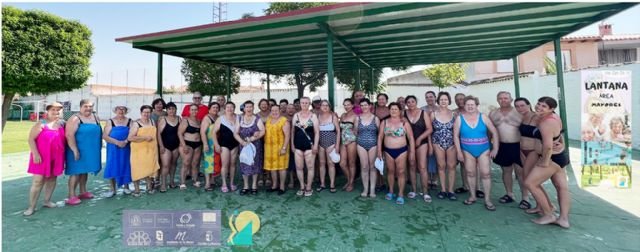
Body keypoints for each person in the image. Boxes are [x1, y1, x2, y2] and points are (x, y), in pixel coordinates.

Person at [524, 97, 571, 228]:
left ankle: (549, 214)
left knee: (530, 183)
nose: (539, 107)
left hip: (552, 159)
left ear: (551, 109)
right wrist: (562, 144)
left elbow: (548, 146)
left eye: (544, 106)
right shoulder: (554, 117)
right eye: (538, 104)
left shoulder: (546, 122)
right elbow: (558, 134)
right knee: (562, 187)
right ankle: (563, 219)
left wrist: (544, 161)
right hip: (560, 157)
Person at [454, 96, 500, 211]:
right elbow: (455, 136)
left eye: (472, 104)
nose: (470, 106)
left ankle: (487, 199)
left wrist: (495, 148)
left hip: (483, 149)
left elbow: (494, 132)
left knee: (486, 173)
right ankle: (472, 196)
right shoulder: (460, 119)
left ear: (476, 105)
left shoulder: (483, 117)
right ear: (464, 106)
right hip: (467, 149)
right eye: (467, 104)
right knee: (470, 173)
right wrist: (459, 152)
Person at [24, 102, 66, 216]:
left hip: (56, 157)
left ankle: (47, 201)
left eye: (58, 110)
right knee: (38, 182)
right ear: (47, 111)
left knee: (52, 179)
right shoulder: (41, 124)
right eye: (53, 109)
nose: (56, 112)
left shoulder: (61, 124)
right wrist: (36, 154)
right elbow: (31, 140)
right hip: (41, 158)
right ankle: (31, 207)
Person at [489, 91, 527, 206]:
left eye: (505, 98)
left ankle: (525, 197)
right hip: (502, 146)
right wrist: (490, 146)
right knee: (506, 171)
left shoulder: (520, 112)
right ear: (497, 100)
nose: (503, 100)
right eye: (500, 98)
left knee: (520, 172)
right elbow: (490, 131)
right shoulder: (493, 113)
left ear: (511, 100)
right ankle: (509, 194)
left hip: (518, 146)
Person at [516, 97, 554, 211]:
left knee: (531, 180)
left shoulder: (538, 117)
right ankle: (540, 205)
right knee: (528, 179)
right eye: (517, 106)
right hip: (522, 150)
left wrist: (560, 143)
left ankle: (549, 207)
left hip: (533, 151)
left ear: (529, 105)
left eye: (522, 105)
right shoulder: (522, 117)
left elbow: (554, 132)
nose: (520, 108)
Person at [65, 99, 102, 205]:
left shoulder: (95, 117)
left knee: (85, 171)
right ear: (81, 107)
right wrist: (75, 150)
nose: (88, 108)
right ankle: (71, 195)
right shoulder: (75, 118)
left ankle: (83, 192)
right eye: (86, 106)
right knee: (75, 172)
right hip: (76, 149)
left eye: (90, 106)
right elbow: (69, 135)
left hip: (90, 150)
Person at [377, 102, 415, 205]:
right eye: (392, 109)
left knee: (401, 172)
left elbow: (411, 138)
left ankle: (401, 194)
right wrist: (379, 151)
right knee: (390, 171)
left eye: (396, 109)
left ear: (400, 111)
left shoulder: (404, 123)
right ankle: (391, 191)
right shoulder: (384, 122)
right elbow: (380, 137)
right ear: (389, 110)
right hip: (388, 151)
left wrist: (412, 152)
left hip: (402, 150)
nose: (393, 111)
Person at [404, 95, 433, 202]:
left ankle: (425, 192)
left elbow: (429, 129)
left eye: (413, 101)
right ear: (406, 104)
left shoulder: (423, 113)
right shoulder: (403, 114)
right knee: (411, 165)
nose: (411, 104)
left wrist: (420, 138)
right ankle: (414, 190)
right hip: (407, 143)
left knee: (422, 167)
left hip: (422, 143)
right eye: (408, 102)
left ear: (416, 102)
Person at [234, 101, 265, 195]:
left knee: (255, 164)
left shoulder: (257, 118)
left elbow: (263, 131)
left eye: (251, 106)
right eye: (247, 107)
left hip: (255, 146)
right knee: (244, 164)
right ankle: (246, 186)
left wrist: (252, 138)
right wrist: (242, 142)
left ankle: (254, 185)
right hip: (243, 145)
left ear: (253, 108)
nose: (249, 108)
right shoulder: (239, 118)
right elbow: (235, 133)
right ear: (244, 108)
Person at [431, 92, 458, 201]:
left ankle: (451, 190)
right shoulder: (433, 114)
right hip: (437, 143)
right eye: (441, 99)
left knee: (451, 167)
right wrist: (430, 144)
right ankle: (442, 189)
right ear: (438, 101)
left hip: (451, 143)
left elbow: (457, 131)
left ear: (449, 101)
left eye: (445, 99)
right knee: (441, 166)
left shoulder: (454, 114)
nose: (443, 101)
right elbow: (430, 130)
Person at [128, 105, 160, 197]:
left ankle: (149, 188)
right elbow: (130, 137)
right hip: (138, 151)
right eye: (144, 112)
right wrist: (144, 137)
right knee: (137, 169)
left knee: (150, 169)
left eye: (148, 112)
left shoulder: (152, 122)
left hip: (151, 150)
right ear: (141, 113)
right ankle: (137, 190)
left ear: (151, 113)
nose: (146, 114)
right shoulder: (136, 124)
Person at [291, 97, 320, 197]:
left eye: (306, 103)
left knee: (310, 167)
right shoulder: (296, 115)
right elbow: (293, 131)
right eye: (302, 103)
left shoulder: (313, 116)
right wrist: (292, 144)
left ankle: (309, 187)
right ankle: (302, 186)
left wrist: (315, 145)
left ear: (309, 104)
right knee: (299, 167)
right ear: (300, 104)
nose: (304, 104)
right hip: (298, 145)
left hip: (309, 145)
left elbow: (316, 132)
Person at [102, 105, 133, 198]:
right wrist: (117, 142)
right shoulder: (110, 121)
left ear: (126, 111)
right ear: (115, 111)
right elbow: (105, 136)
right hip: (113, 148)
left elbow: (133, 133)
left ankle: (126, 187)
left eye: (123, 109)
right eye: (119, 109)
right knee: (112, 165)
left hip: (126, 147)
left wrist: (125, 141)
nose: (121, 110)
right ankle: (112, 189)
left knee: (126, 164)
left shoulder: (130, 121)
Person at [355, 99, 380, 198]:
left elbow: (379, 134)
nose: (364, 107)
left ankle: (372, 190)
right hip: (361, 144)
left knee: (372, 167)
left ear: (370, 106)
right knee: (364, 167)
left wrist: (379, 148)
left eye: (366, 105)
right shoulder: (358, 118)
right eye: (362, 105)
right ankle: (365, 189)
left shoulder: (375, 118)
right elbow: (355, 132)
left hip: (373, 144)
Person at [212, 102, 239, 193]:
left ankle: (231, 183)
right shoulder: (220, 119)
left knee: (233, 164)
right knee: (225, 165)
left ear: (234, 108)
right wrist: (216, 144)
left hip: (235, 144)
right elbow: (213, 133)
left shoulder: (238, 118)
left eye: (232, 107)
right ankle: (224, 183)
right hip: (224, 145)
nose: (230, 109)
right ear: (225, 108)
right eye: (228, 107)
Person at [264, 104, 291, 195]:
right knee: (272, 168)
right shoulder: (268, 120)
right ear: (270, 111)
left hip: (281, 148)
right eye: (272, 110)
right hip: (269, 148)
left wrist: (284, 148)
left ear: (280, 111)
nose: (274, 112)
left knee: (281, 168)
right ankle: (274, 185)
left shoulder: (284, 121)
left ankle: (282, 186)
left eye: (276, 110)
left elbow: (287, 136)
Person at [316, 100, 341, 193]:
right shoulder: (317, 116)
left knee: (331, 164)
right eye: (323, 105)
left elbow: (338, 131)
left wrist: (337, 145)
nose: (325, 107)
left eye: (327, 105)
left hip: (331, 142)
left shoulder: (333, 116)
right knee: (322, 164)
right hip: (320, 143)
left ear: (329, 106)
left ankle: (332, 184)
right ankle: (322, 184)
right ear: (320, 106)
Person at [177, 104, 203, 190]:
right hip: (188, 144)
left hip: (198, 144)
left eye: (196, 110)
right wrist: (184, 145)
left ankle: (195, 180)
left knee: (195, 164)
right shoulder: (185, 121)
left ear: (198, 111)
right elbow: (179, 133)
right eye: (192, 110)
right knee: (186, 163)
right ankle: (182, 182)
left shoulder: (199, 121)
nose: (194, 111)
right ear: (189, 111)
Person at [157, 102, 181, 192]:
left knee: (174, 164)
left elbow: (181, 132)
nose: (171, 110)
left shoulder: (179, 119)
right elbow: (158, 134)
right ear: (166, 110)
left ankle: (171, 182)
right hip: (165, 146)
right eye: (169, 109)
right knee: (165, 165)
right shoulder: (163, 119)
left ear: (176, 110)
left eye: (173, 109)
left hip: (176, 146)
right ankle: (163, 184)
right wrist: (161, 146)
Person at [200, 102, 222, 191]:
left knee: (215, 163)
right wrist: (205, 144)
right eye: (213, 107)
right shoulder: (207, 118)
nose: (215, 109)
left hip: (217, 143)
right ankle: (207, 183)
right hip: (209, 143)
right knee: (208, 163)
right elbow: (202, 132)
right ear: (209, 108)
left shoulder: (218, 118)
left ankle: (212, 181)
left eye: (217, 107)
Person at [453, 93, 470, 194]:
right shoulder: (454, 113)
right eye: (457, 100)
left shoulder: (472, 111)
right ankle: (465, 185)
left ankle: (477, 188)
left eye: (462, 99)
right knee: (456, 164)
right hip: (455, 141)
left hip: (468, 142)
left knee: (469, 165)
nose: (460, 101)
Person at [421, 91, 439, 189]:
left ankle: (435, 180)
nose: (429, 99)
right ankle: (428, 179)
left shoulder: (440, 109)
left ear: (435, 97)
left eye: (431, 97)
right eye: (427, 97)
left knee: (437, 159)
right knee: (427, 158)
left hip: (438, 137)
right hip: (425, 135)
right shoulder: (422, 110)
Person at [339, 98, 357, 192]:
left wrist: (353, 141)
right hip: (343, 142)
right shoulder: (342, 115)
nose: (346, 106)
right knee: (342, 163)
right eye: (345, 105)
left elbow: (357, 131)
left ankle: (350, 183)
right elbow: (340, 129)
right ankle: (350, 180)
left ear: (352, 105)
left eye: (348, 104)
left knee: (351, 163)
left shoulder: (355, 116)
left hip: (352, 142)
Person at [285, 103, 298, 189]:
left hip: (298, 142)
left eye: (292, 108)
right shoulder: (283, 119)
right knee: (289, 162)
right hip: (287, 143)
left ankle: (299, 178)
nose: (290, 110)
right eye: (288, 108)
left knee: (299, 162)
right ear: (286, 109)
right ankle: (291, 180)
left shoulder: (299, 118)